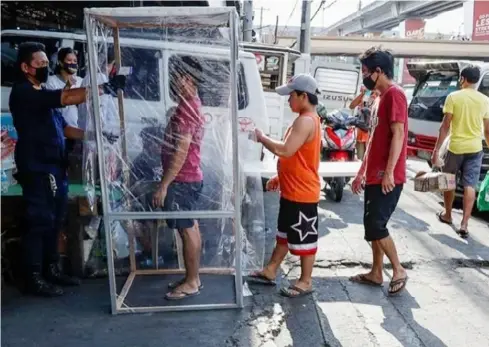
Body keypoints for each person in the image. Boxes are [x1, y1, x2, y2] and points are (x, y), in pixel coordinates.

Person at [9, 42, 126, 297]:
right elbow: (66, 97)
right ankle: (33, 277)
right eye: (39, 64)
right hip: (38, 166)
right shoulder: (25, 93)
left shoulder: (42, 93)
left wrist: (95, 135)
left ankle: (52, 269)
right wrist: (104, 88)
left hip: (55, 165)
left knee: (56, 219)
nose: (45, 67)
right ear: (25, 67)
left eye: (45, 63)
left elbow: (65, 129)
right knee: (39, 221)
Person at [248, 74, 321, 298]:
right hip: (293, 190)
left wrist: (261, 138)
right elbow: (297, 156)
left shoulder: (305, 120)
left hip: (302, 193)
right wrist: (280, 177)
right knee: (285, 235)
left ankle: (306, 280)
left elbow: (285, 150)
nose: (288, 100)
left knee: (304, 238)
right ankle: (271, 270)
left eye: (291, 96)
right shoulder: (305, 119)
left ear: (303, 96)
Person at [350, 47, 409, 296]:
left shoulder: (395, 95)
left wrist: (388, 173)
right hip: (374, 174)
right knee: (370, 226)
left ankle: (398, 269)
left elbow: (398, 135)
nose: (363, 76)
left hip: (388, 176)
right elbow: (373, 140)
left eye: (365, 72)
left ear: (378, 71)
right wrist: (361, 171)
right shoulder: (378, 98)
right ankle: (376, 272)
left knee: (377, 224)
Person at [152, 56, 205, 301]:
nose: (173, 81)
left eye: (176, 76)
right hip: (188, 177)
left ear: (187, 78)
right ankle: (192, 277)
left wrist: (164, 185)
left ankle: (192, 281)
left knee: (186, 229)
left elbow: (182, 149)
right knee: (190, 226)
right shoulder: (189, 104)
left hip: (183, 179)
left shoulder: (187, 107)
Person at [431, 65, 489, 238]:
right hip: (475, 148)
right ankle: (464, 223)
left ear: (463, 79)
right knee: (470, 184)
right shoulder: (485, 100)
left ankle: (448, 215)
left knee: (448, 180)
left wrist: (435, 150)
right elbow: (487, 130)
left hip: (455, 147)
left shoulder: (453, 97)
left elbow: (445, 126)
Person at [46, 47, 83, 127]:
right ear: (61, 62)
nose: (72, 63)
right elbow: (53, 104)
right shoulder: (51, 81)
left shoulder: (81, 81)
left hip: (77, 129)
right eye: (69, 60)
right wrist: (67, 87)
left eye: (75, 61)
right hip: (59, 128)